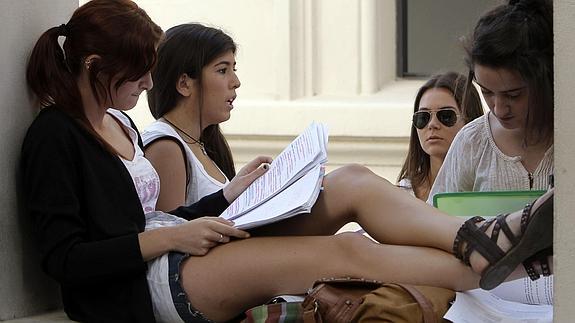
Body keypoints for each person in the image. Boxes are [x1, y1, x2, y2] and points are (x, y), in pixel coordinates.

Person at [132, 21, 552, 322]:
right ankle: (519, 266)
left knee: (351, 178)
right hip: (184, 266)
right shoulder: (165, 144)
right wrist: (229, 203)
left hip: (206, 252)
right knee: (351, 251)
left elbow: (186, 219)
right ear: (186, 83)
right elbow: (177, 229)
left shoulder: (197, 144)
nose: (236, 82)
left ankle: (483, 240)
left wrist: (237, 196)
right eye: (223, 70)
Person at [428, 0, 553, 199]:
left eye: (513, 95)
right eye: (486, 92)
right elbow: (434, 220)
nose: (499, 109)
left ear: (545, 81)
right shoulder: (471, 141)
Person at [397, 72, 483, 201]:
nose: (432, 124)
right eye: (423, 117)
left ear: (470, 121)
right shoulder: (401, 194)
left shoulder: (488, 186)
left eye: (446, 116)